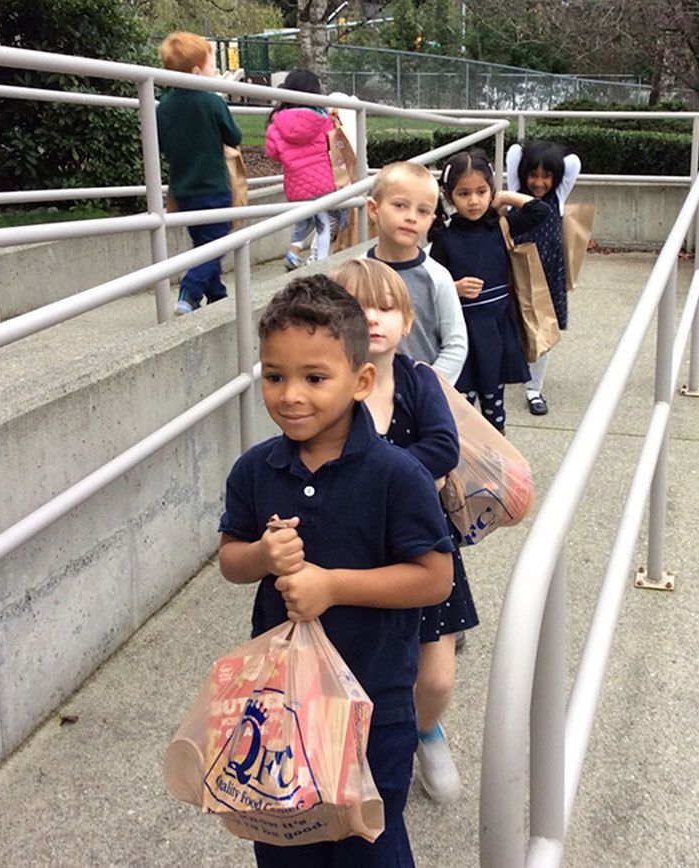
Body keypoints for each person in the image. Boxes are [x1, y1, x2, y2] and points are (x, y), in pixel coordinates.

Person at [218, 275, 455, 867]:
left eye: (314, 378)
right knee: (282, 839)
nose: (291, 395)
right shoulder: (255, 470)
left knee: (366, 840)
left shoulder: (397, 476)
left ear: (361, 381)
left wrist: (331, 585)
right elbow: (231, 559)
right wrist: (262, 557)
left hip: (375, 703)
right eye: (274, 376)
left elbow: (434, 578)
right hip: (282, 705)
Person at [330, 259, 477, 804]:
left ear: (407, 317)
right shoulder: (334, 392)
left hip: (422, 550)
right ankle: (371, 748)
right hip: (355, 554)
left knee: (435, 677)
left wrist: (379, 478)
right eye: (357, 308)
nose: (372, 319)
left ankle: (423, 730)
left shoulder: (419, 381)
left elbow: (444, 446)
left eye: (386, 308)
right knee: (359, 670)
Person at [428, 149, 552, 432]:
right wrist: (454, 288)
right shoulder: (445, 238)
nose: (474, 201)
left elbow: (540, 211)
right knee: (460, 406)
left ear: (491, 190)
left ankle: (497, 460)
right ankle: (463, 463)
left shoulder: (500, 226)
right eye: (463, 193)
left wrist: (506, 197)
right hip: (463, 333)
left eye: (482, 191)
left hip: (495, 331)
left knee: (494, 403)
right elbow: (432, 284)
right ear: (449, 197)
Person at [156, 32, 243, 316]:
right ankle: (189, 293)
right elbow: (234, 135)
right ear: (196, 72)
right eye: (212, 66)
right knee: (217, 242)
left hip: (182, 189)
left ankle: (217, 294)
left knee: (204, 243)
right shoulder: (211, 102)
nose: (215, 72)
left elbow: (158, 143)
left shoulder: (163, 108)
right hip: (212, 186)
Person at [364, 161, 469, 386]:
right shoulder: (355, 273)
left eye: (422, 211)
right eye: (400, 205)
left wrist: (427, 387)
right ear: (374, 209)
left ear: (431, 220)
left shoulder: (438, 277)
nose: (411, 217)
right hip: (365, 394)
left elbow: (456, 343)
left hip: (422, 401)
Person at [506, 139, 581, 415]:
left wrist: (552, 157)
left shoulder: (558, 197)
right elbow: (514, 152)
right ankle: (511, 370)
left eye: (546, 176)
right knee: (512, 327)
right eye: (533, 175)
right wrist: (528, 155)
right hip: (514, 274)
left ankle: (534, 389)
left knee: (542, 334)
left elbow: (573, 163)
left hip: (546, 278)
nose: (538, 182)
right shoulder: (516, 194)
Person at [266, 69, 348, 270]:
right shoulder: (322, 119)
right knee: (324, 222)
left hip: (295, 184)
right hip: (322, 182)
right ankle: (321, 263)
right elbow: (334, 142)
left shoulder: (276, 122)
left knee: (306, 219)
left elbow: (273, 153)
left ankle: (294, 253)